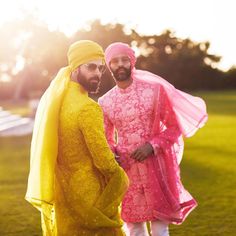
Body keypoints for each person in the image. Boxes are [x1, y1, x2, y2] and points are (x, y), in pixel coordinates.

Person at [98, 42, 208, 236]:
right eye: (115, 61)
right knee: (134, 228)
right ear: (109, 66)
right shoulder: (105, 101)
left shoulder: (154, 90)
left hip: (157, 167)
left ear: (132, 62)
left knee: (159, 228)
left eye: (125, 59)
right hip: (127, 170)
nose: (120, 64)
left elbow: (174, 128)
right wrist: (113, 154)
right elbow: (107, 138)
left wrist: (152, 146)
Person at [25, 40, 129, 236]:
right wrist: (121, 176)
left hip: (64, 197)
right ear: (74, 68)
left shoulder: (57, 104)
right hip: (91, 199)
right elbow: (105, 163)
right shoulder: (88, 108)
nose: (97, 74)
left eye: (100, 69)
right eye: (91, 67)